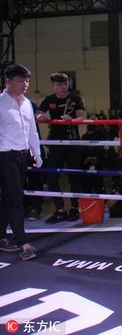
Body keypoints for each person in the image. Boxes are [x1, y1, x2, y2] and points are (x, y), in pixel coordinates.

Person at [0, 64, 42, 260]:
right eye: (21, 80)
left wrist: (37, 153)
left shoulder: (27, 103)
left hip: (23, 156)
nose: (25, 84)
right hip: (4, 156)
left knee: (9, 198)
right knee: (15, 198)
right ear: (8, 81)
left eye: (27, 80)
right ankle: (22, 243)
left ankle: (1, 236)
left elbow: (32, 130)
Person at [36, 72, 86, 223]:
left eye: (65, 84)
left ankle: (74, 209)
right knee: (51, 177)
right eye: (59, 84)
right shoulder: (49, 99)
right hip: (56, 143)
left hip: (72, 142)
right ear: (53, 86)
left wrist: (72, 120)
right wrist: (40, 117)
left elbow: (82, 117)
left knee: (74, 177)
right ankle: (59, 210)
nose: (63, 87)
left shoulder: (75, 99)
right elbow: (38, 113)